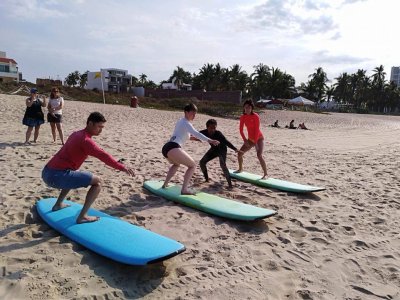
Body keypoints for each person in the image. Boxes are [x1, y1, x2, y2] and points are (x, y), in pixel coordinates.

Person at [42, 112, 135, 223]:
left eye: (102, 127)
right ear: (90, 123)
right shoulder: (86, 141)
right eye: (99, 127)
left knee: (73, 173)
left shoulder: (76, 134)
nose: (101, 130)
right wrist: (122, 167)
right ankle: (83, 216)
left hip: (46, 172)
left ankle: (58, 204)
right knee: (98, 182)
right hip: (56, 177)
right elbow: (103, 156)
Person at [161, 103, 220, 195]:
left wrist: (194, 139)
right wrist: (210, 140)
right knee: (192, 166)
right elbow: (196, 133)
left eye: (195, 114)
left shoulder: (181, 121)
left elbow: (185, 135)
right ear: (186, 112)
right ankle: (184, 189)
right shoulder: (186, 122)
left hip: (166, 148)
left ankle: (165, 184)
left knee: (176, 164)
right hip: (173, 147)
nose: (194, 116)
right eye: (192, 113)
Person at [197, 119, 239, 189]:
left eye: (214, 128)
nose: (213, 130)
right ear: (207, 127)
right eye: (211, 128)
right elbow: (195, 134)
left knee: (223, 166)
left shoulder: (218, 133)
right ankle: (206, 179)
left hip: (222, 151)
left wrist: (235, 149)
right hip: (213, 150)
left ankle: (230, 185)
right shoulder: (204, 132)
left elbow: (226, 142)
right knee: (202, 162)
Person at [235, 99, 268, 179]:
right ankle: (240, 169)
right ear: (244, 108)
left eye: (249, 107)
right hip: (250, 139)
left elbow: (257, 130)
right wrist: (245, 140)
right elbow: (241, 130)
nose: (247, 109)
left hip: (259, 138)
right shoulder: (243, 117)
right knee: (240, 153)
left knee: (259, 155)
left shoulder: (256, 116)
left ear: (252, 108)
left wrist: (256, 143)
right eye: (246, 107)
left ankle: (265, 174)